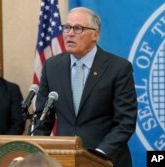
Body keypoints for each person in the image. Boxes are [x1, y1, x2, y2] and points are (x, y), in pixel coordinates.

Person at [33, 7, 137, 167]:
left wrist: (99, 155)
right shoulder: (52, 66)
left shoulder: (118, 68)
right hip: (64, 160)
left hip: (106, 161)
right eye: (67, 27)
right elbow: (43, 118)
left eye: (78, 28)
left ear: (95, 34)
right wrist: (33, 153)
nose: (70, 33)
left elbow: (125, 122)